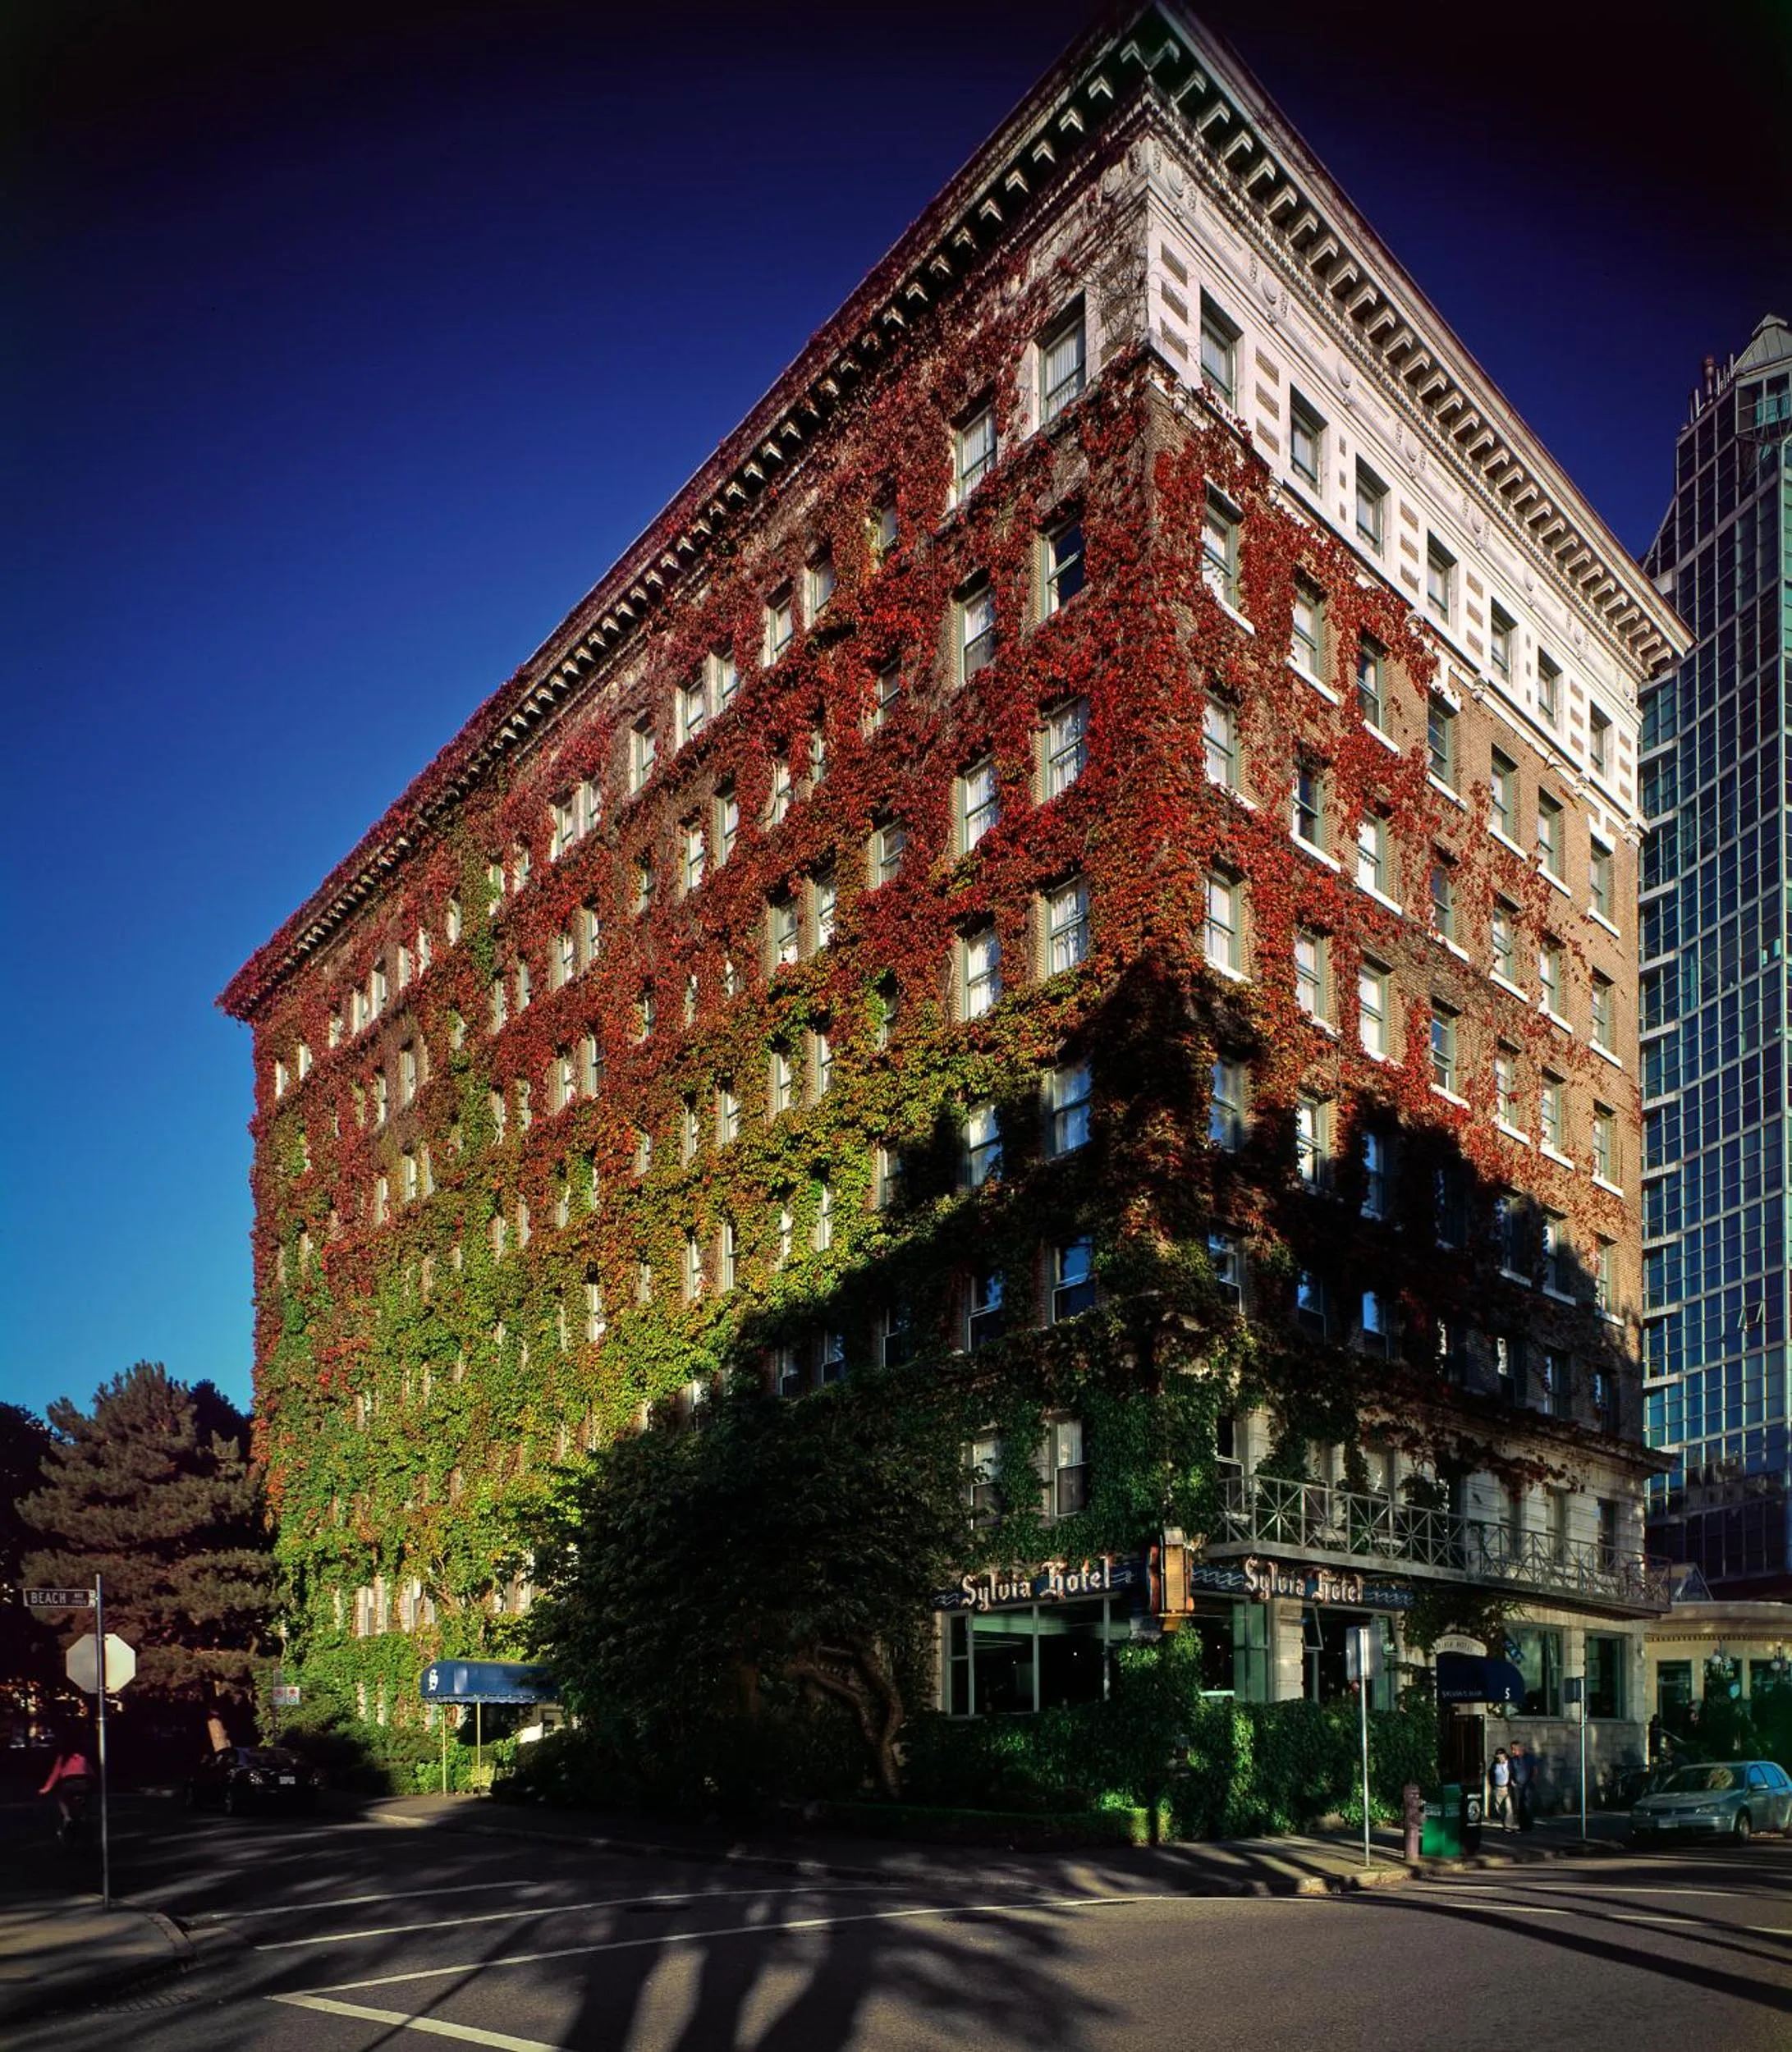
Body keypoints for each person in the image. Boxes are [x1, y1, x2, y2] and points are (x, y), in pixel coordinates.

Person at [39, 1734, 94, 1842]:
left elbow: (55, 1773)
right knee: (84, 1806)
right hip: (85, 1783)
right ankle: (85, 1821)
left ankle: (67, 1818)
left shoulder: (63, 1758)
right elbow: (91, 1773)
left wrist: (46, 1788)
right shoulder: (82, 1758)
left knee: (62, 1799)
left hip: (69, 1784)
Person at [1509, 1738, 1535, 1830]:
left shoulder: (1529, 1757)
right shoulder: (1513, 1760)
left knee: (1527, 1805)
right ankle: (1522, 1826)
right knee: (1519, 1806)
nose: (1512, 1751)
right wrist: (1512, 1781)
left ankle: (1529, 1825)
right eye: (1512, 1749)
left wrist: (1531, 1781)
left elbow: (1534, 1770)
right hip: (1517, 1786)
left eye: (1514, 1749)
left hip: (1527, 1785)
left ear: (1520, 1748)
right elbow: (1511, 1771)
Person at [1489, 1746, 1513, 1830]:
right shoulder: (1494, 1765)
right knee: (1499, 1808)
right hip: (1497, 1788)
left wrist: (1513, 1782)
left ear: (1505, 1755)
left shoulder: (1510, 1763)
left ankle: (1508, 1826)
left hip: (1507, 1788)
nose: (1499, 1757)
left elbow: (1513, 1772)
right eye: (1498, 1755)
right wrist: (1492, 1786)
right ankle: (1504, 1823)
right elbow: (1490, 1775)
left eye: (1501, 1755)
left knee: (1509, 1808)